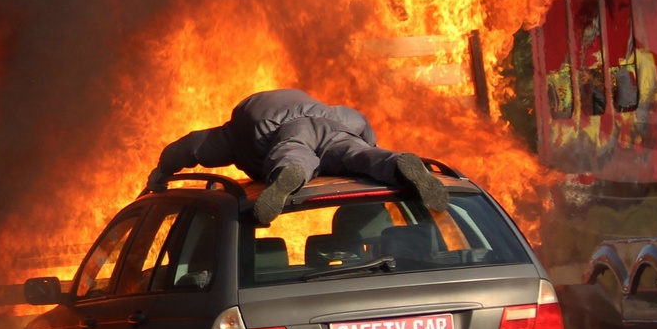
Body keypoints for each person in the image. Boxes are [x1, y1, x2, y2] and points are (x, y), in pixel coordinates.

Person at [147, 88, 448, 224]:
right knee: (359, 154)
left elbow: (191, 146)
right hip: (334, 121)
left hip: (275, 127)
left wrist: (163, 169)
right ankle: (396, 163)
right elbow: (364, 134)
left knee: (292, 152)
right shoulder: (323, 109)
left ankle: (288, 175)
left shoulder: (233, 134)